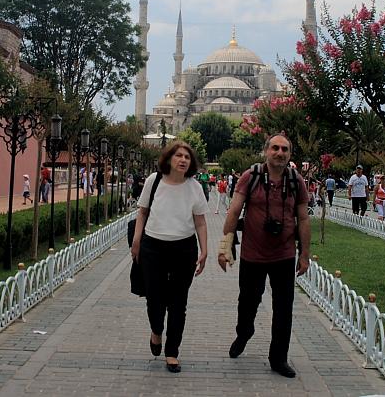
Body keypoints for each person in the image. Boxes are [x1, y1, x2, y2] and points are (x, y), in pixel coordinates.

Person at [217, 133, 310, 378]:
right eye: (275, 148)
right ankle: (244, 332)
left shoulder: (295, 181)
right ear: (266, 151)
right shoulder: (251, 177)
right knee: (248, 302)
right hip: (253, 254)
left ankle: (278, 358)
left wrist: (305, 255)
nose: (280, 153)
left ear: (290, 154)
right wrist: (225, 247)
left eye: (285, 149)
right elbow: (234, 209)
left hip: (284, 254)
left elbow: (303, 218)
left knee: (284, 309)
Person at [130, 141, 208, 373]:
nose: (183, 160)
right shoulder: (155, 181)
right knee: (155, 299)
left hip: (184, 249)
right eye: (179, 156)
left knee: (178, 303)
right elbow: (142, 211)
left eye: (187, 157)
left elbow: (201, 221)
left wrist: (205, 250)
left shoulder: (194, 187)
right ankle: (156, 331)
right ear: (169, 159)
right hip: (153, 247)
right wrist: (137, 240)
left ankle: (172, 351)